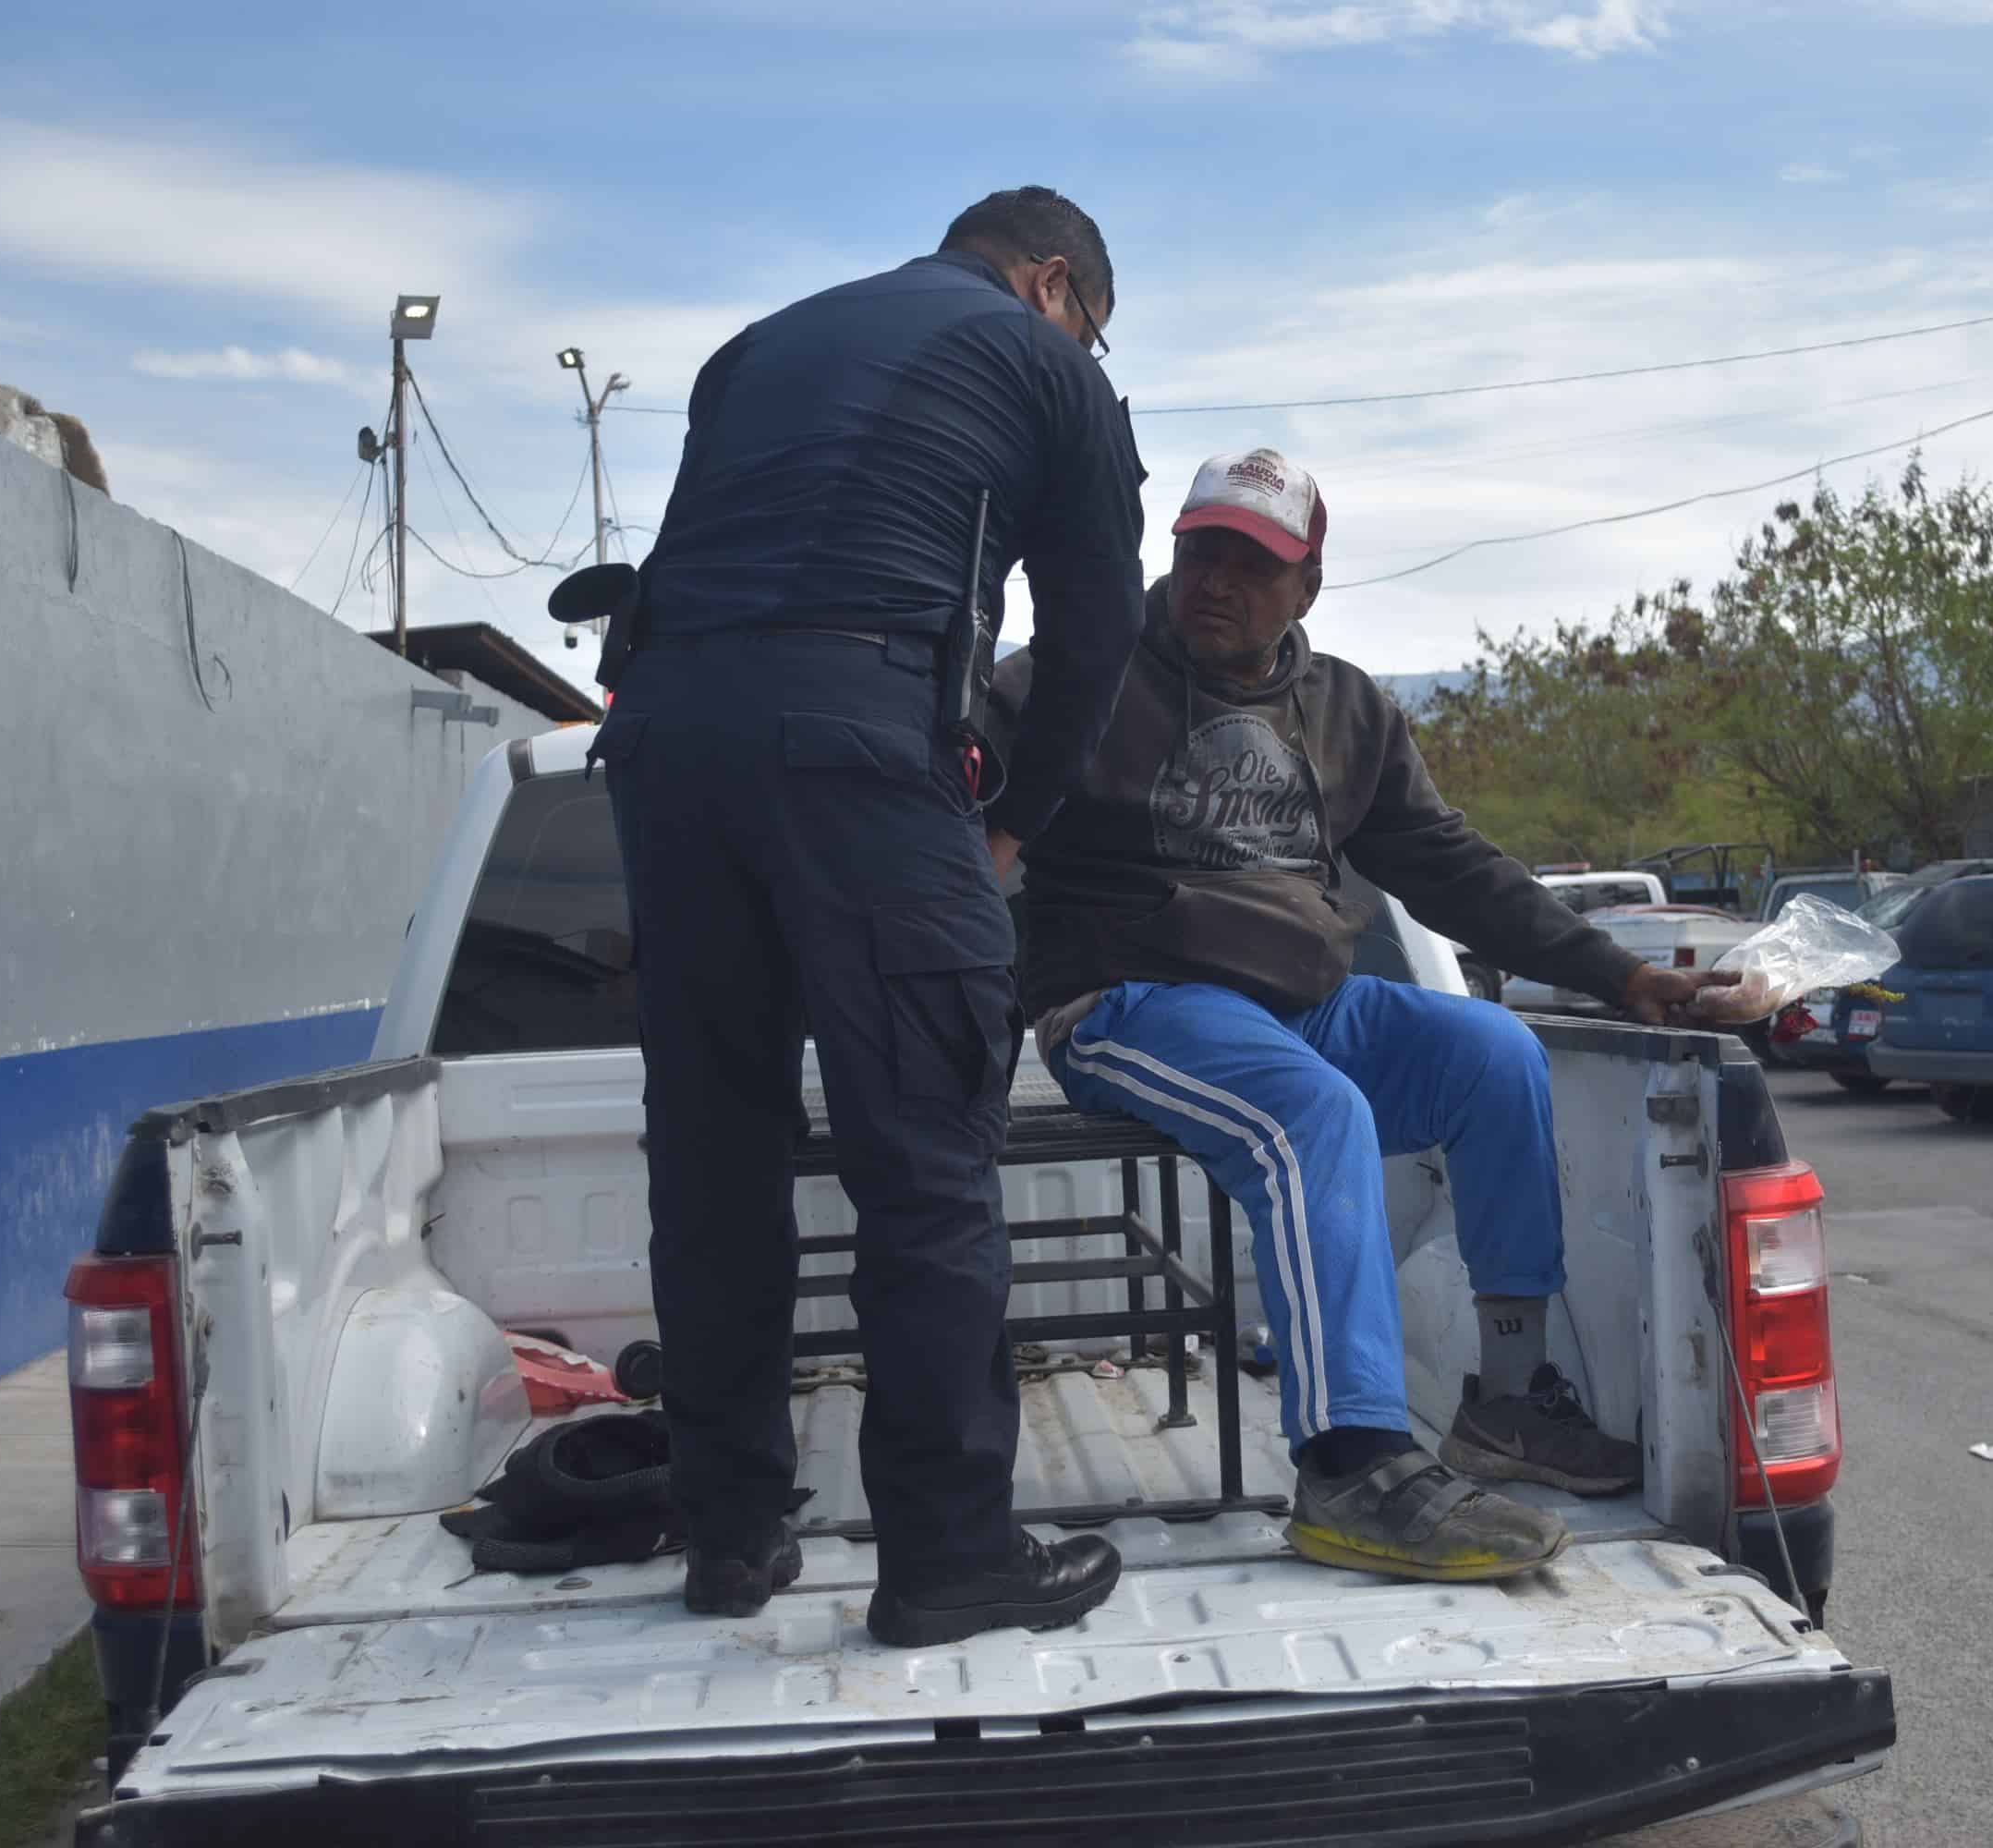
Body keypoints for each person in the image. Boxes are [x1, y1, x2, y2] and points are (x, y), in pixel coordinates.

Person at [988, 448, 1738, 1581]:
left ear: (1308, 584)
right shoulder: (1073, 676)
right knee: (1313, 1112)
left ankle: (1509, 1397)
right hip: (1130, 999)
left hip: (1304, 1004)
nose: (1216, 581)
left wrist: (1614, 973)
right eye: (1201, 552)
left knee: (1492, 1052)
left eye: (1252, 563)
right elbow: (961, 808)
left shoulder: (1345, 709)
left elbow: (1446, 865)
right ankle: (1352, 1465)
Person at [593, 188, 1147, 1646]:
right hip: (857, 739)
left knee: (713, 1149)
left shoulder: (755, 348)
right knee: (926, 1157)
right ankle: (951, 1556)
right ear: (1051, 285)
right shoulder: (1051, 370)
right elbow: (1098, 635)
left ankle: (726, 1535)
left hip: (662, 741)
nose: (1090, 343)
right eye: (1092, 319)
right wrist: (1017, 820)